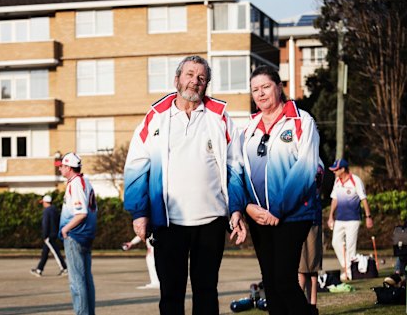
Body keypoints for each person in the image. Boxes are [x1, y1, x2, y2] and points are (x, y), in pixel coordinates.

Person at [124, 55, 247, 315]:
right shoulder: (155, 117)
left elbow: (236, 166)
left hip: (211, 221)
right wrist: (139, 212)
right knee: (170, 295)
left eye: (201, 78)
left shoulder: (221, 118)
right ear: (177, 79)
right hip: (168, 223)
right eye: (190, 75)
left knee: (206, 292)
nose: (195, 81)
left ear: (207, 84)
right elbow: (136, 166)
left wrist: (236, 208)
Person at [234, 65, 320, 315]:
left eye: (265, 87)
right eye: (255, 90)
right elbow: (238, 171)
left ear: (279, 87)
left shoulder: (302, 121)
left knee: (284, 280)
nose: (260, 94)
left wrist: (277, 210)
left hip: (293, 215)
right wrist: (247, 207)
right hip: (258, 217)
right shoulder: (248, 128)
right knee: (270, 283)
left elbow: (305, 171)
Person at [57, 152, 98, 315]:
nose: (60, 169)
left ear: (68, 167)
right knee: (86, 279)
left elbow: (81, 213)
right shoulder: (85, 181)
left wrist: (65, 229)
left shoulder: (75, 184)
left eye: (62, 166)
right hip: (85, 235)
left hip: (76, 235)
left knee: (76, 281)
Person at [327, 158, 373, 280]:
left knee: (350, 247)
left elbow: (364, 199)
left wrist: (368, 217)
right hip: (339, 219)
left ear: (343, 169)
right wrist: (331, 216)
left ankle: (350, 271)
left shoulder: (355, 180)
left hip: (353, 219)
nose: (334, 172)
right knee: (335, 242)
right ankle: (348, 268)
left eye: (336, 170)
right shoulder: (337, 181)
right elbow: (335, 199)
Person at [298, 161, 324, 315]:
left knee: (305, 269)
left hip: (307, 218)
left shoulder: (313, 164)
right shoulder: (315, 162)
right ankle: (310, 305)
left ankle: (305, 305)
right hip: (310, 217)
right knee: (307, 268)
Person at [31, 194, 68, 277]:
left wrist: (44, 235)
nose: (43, 204)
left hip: (49, 235)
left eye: (43, 202)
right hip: (55, 233)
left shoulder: (47, 211)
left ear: (46, 202)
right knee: (45, 252)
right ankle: (39, 269)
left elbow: (45, 224)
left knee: (55, 252)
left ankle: (64, 268)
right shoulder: (55, 210)